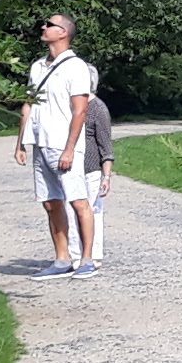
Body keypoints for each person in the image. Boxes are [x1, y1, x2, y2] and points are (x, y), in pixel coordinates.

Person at [13, 17, 100, 273]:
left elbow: (80, 110)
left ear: (63, 33)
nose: (43, 27)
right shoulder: (38, 66)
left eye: (49, 24)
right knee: (50, 202)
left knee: (78, 200)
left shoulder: (76, 67)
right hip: (41, 143)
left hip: (63, 145)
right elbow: (28, 104)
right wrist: (20, 143)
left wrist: (70, 148)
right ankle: (61, 259)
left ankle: (86, 259)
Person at [79, 92, 116, 266]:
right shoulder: (70, 104)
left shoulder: (98, 109)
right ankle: (76, 254)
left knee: (93, 211)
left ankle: (93, 254)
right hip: (71, 169)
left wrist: (106, 176)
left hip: (92, 170)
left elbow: (106, 147)